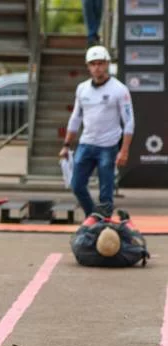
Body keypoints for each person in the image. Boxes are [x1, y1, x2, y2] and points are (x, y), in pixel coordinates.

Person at [59, 46, 134, 218]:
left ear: (107, 64)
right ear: (88, 66)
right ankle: (93, 217)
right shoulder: (82, 88)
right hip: (86, 144)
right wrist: (66, 145)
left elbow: (129, 121)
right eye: (93, 64)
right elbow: (75, 118)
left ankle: (104, 223)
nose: (97, 67)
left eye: (100, 63)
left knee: (106, 192)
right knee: (77, 185)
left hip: (108, 146)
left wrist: (124, 150)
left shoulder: (119, 89)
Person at [71, 206, 149, 267]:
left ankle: (95, 216)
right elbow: (140, 242)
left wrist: (99, 220)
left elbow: (81, 233)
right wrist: (125, 222)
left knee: (81, 233)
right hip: (121, 250)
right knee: (135, 236)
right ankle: (126, 220)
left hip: (93, 249)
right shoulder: (129, 254)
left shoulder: (82, 250)